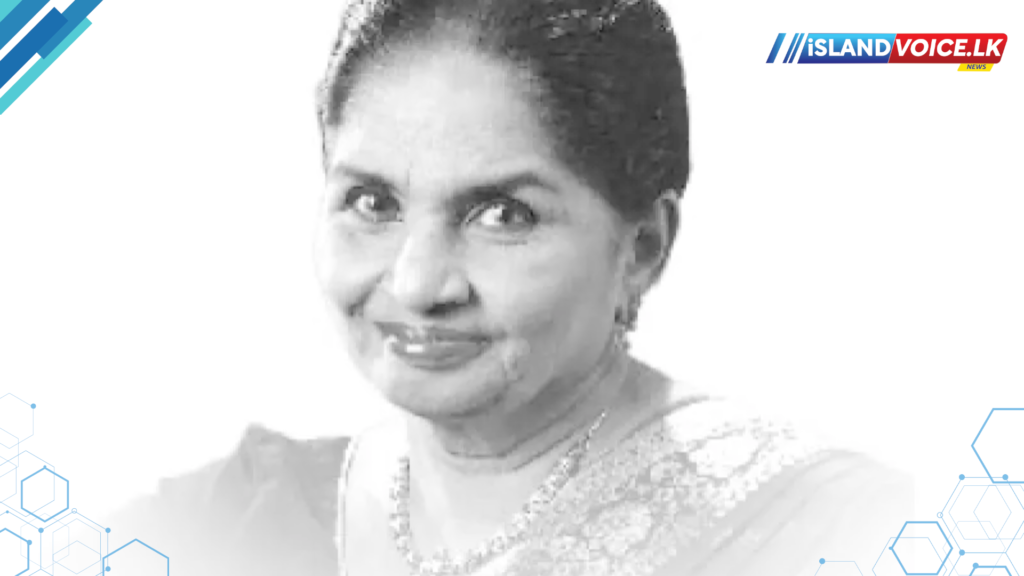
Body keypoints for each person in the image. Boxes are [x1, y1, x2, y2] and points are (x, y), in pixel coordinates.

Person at [112, 0, 913, 575]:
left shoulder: (827, 530)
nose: (418, 283)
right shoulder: (236, 517)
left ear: (643, 247)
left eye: (503, 214)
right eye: (372, 202)